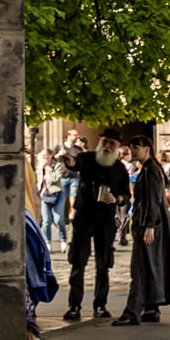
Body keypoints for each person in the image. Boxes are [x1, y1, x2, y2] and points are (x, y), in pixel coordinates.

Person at [112, 136, 170, 326]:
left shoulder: (151, 170)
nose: (133, 151)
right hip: (154, 223)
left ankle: (132, 311)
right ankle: (152, 307)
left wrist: (149, 225)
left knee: (141, 267)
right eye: (132, 148)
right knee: (151, 265)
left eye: (137, 148)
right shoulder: (150, 168)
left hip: (149, 224)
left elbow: (153, 200)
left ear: (147, 149)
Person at [61, 133, 131, 322]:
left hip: (105, 219)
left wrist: (117, 199)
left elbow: (126, 194)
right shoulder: (88, 158)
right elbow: (75, 163)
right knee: (78, 262)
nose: (107, 146)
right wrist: (69, 160)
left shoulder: (119, 168)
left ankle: (100, 304)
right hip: (84, 216)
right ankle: (74, 305)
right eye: (105, 142)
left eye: (112, 143)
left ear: (117, 146)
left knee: (103, 263)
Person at [24, 206, 56, 340]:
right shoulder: (25, 215)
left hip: (25, 278)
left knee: (23, 317)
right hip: (30, 278)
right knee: (27, 318)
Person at [35, 149, 68, 243]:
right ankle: (47, 241)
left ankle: (63, 239)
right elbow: (38, 181)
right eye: (43, 155)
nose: (44, 157)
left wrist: (48, 169)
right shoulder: (39, 167)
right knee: (46, 221)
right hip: (44, 195)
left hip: (57, 193)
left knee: (58, 219)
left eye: (46, 155)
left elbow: (56, 178)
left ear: (51, 155)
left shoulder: (56, 165)